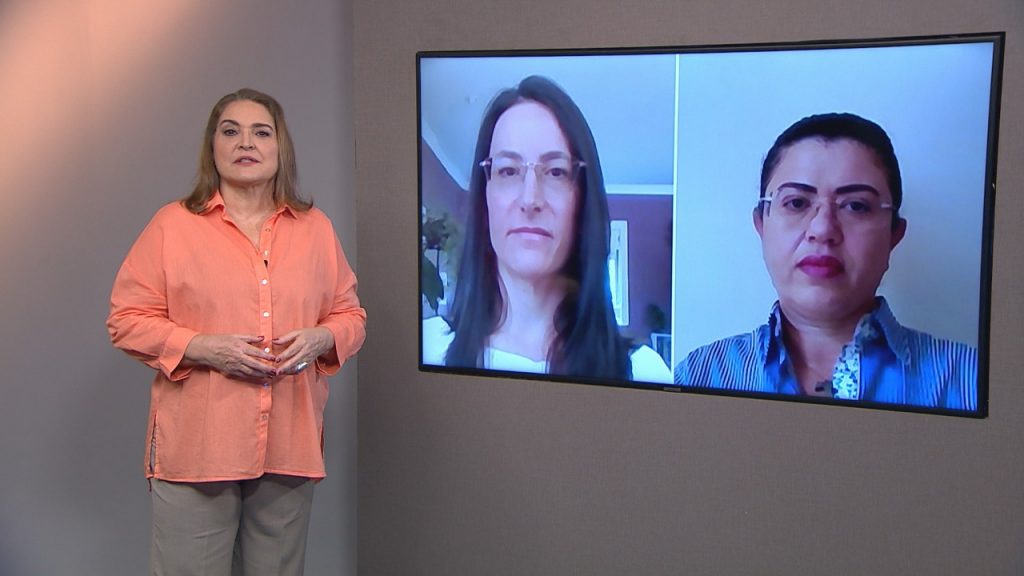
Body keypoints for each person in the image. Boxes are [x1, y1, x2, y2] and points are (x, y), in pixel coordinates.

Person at [107, 88, 366, 574]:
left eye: (260, 132)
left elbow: (350, 316)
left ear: (279, 148)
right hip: (199, 449)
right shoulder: (172, 226)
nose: (245, 142)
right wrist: (201, 348)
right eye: (231, 131)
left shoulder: (315, 229)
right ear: (213, 148)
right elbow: (125, 319)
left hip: (290, 446)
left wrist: (322, 338)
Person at [674, 112, 976, 410]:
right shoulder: (698, 376)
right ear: (761, 226)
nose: (822, 230)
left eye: (856, 206)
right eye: (796, 203)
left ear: (893, 235)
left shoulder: (970, 383)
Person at [422, 75, 670, 383]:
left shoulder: (646, 372)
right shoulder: (427, 346)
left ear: (582, 201)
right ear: (484, 201)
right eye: (508, 170)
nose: (530, 199)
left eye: (555, 172)